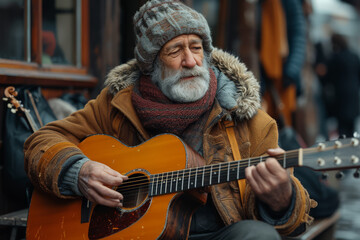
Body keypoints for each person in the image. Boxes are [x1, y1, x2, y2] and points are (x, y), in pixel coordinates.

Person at [24, 0, 316, 239]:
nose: (190, 61)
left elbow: (293, 222)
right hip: (132, 234)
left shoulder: (249, 119)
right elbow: (41, 141)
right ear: (152, 65)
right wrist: (80, 171)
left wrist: (282, 201)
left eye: (197, 47)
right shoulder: (116, 105)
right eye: (175, 50)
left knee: (258, 236)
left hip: (216, 234)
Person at [324, 33, 360, 138]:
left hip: (340, 97)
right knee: (351, 127)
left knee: (343, 130)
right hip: (353, 95)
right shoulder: (354, 56)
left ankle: (345, 152)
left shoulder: (335, 58)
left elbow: (328, 78)